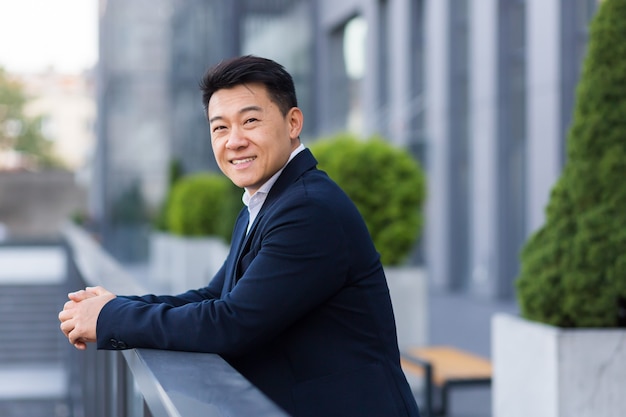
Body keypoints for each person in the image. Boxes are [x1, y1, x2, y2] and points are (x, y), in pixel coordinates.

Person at [59, 55, 420, 417]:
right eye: (220, 128)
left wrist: (111, 318)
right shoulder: (267, 200)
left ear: (292, 122)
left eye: (250, 121)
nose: (234, 141)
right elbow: (213, 296)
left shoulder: (309, 210)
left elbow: (231, 323)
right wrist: (115, 305)